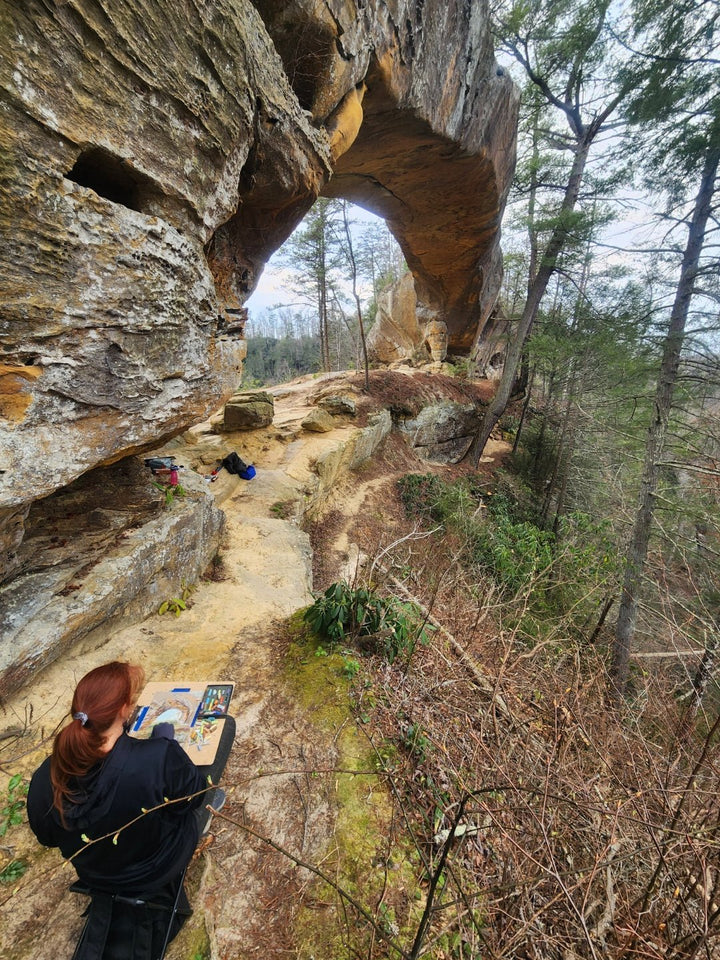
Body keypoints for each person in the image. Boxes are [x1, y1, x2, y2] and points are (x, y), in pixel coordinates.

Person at [27, 661, 234, 958]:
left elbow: (47, 837)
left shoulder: (46, 775)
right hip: (155, 869)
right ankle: (203, 823)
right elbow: (193, 797)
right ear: (125, 710)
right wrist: (166, 748)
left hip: (95, 874)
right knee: (225, 731)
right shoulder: (157, 757)